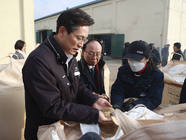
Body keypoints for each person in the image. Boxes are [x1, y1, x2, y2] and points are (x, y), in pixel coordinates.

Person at [22, 8, 112, 140]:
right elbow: (53, 106)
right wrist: (93, 114)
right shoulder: (39, 61)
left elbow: (78, 86)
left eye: (84, 39)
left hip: (67, 125)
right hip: (46, 132)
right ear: (62, 31)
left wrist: (94, 100)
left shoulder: (70, 55)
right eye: (79, 38)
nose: (81, 45)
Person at [111, 40, 164, 112]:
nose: (134, 63)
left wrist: (134, 105)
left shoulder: (157, 75)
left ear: (147, 59)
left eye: (138, 60)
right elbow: (117, 90)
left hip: (142, 110)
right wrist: (117, 104)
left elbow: (153, 99)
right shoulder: (123, 71)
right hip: (123, 107)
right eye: (130, 59)